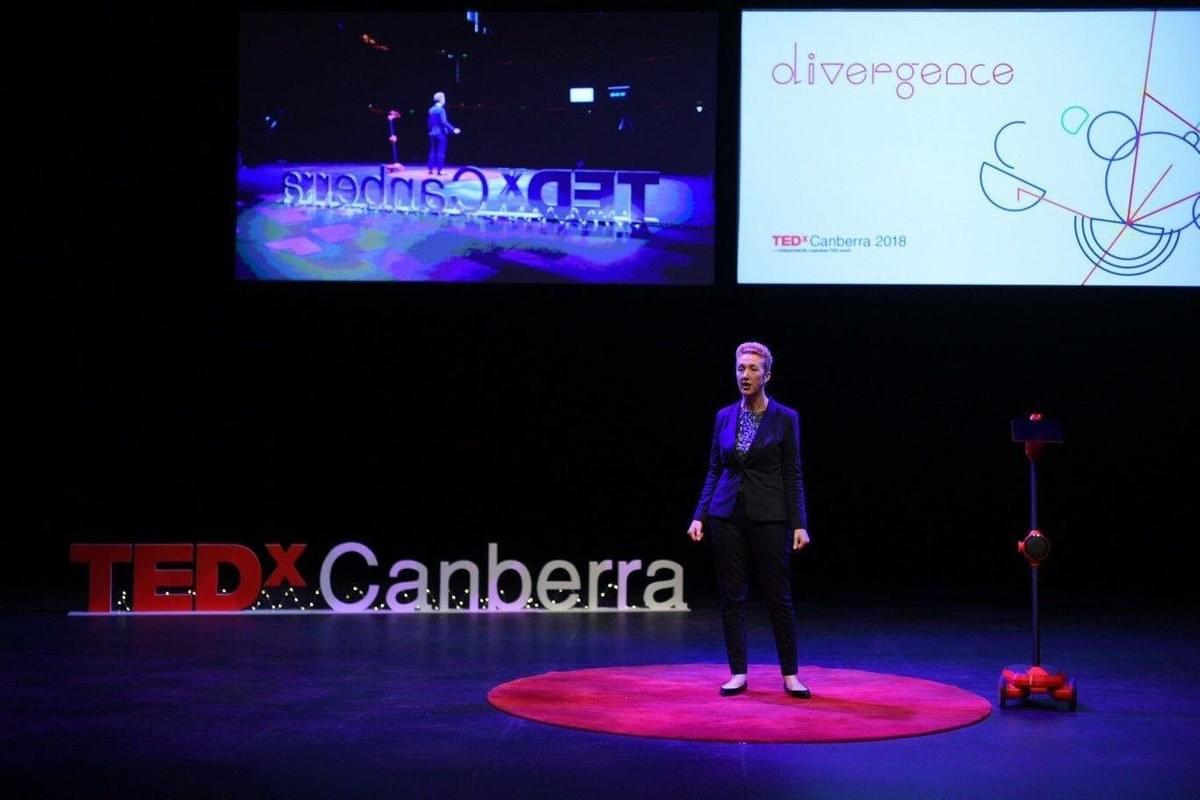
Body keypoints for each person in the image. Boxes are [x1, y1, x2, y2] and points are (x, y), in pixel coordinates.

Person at [688, 341, 812, 698]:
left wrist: (799, 522)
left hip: (770, 515)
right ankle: (738, 672)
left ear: (767, 374)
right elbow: (714, 469)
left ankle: (790, 674)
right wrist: (699, 515)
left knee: (778, 596)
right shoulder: (724, 416)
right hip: (725, 514)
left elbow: (793, 473)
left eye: (754, 368)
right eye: (741, 368)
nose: (746, 374)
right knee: (732, 597)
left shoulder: (786, 418)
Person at [427, 91, 461, 175]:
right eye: (444, 98)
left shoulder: (431, 109)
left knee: (432, 151)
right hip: (441, 133)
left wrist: (429, 131)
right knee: (441, 152)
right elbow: (444, 122)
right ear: (441, 99)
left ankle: (430, 169)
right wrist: (453, 129)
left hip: (432, 133)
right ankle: (440, 170)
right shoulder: (441, 110)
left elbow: (429, 122)